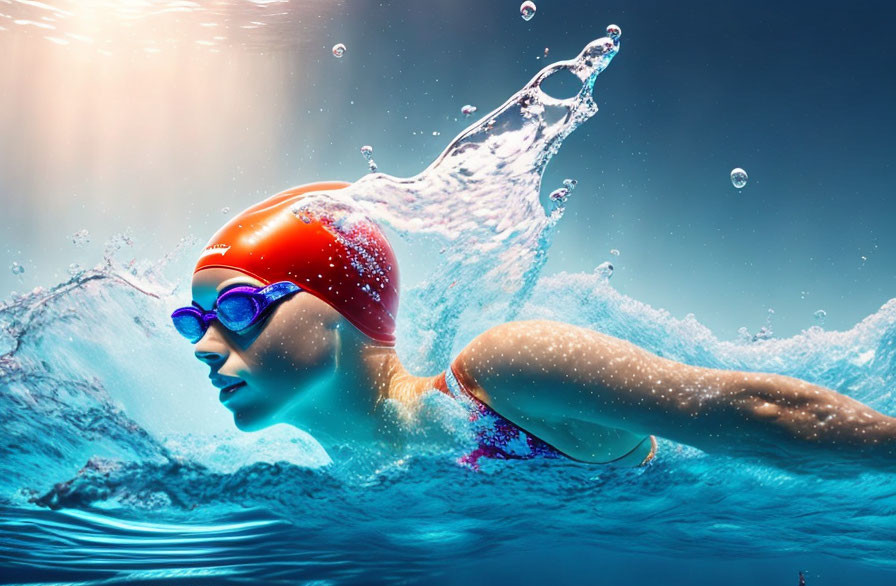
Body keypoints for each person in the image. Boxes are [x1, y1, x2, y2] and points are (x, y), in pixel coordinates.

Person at [173, 182, 896, 471]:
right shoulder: (356, 471)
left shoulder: (503, 379)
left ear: (342, 311)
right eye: (194, 321)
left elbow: (747, 411)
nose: (207, 345)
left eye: (237, 309)